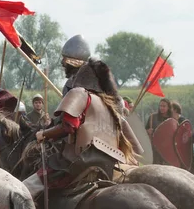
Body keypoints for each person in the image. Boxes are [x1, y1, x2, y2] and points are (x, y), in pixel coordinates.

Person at [22, 59, 134, 198]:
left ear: (82, 77)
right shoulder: (110, 104)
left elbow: (67, 127)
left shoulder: (81, 94)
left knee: (24, 189)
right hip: (108, 165)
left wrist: (43, 134)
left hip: (78, 163)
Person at [145, 98, 173, 165]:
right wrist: (148, 131)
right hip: (154, 148)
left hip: (167, 148)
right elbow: (145, 131)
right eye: (160, 106)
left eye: (164, 106)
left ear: (168, 107)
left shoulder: (171, 119)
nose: (161, 108)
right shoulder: (153, 117)